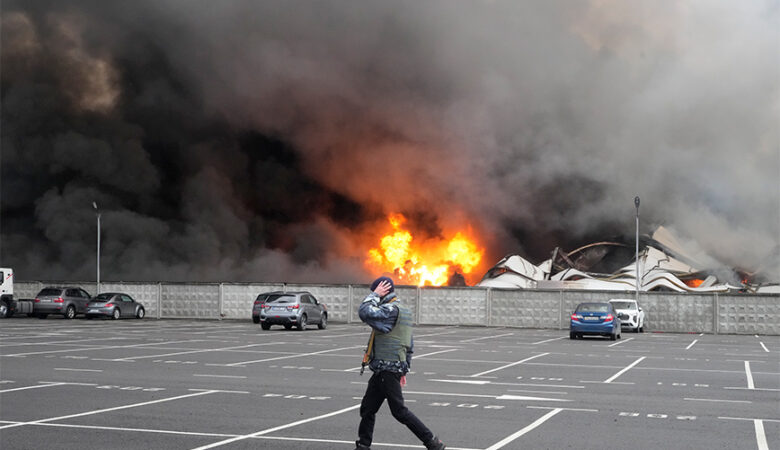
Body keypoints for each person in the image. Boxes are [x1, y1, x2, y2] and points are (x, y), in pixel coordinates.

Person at [354, 276, 446, 450]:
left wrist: (374, 294)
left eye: (377, 290)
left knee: (399, 412)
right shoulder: (403, 310)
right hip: (386, 370)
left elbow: (364, 312)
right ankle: (363, 446)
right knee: (367, 409)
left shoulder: (390, 310)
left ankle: (432, 442)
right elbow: (409, 344)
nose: (374, 295)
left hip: (387, 370)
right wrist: (404, 370)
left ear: (383, 290)